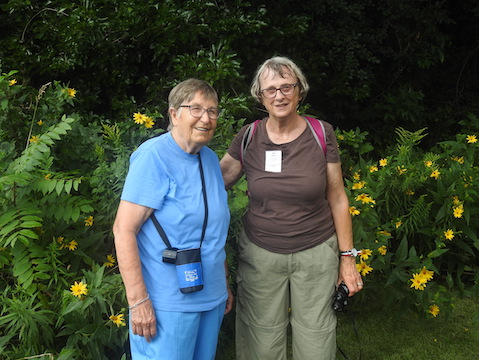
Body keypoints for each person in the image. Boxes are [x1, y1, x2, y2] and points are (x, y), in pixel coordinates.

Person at [220, 56, 363, 360]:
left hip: (315, 253)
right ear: (260, 96)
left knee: (316, 337)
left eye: (287, 87)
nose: (279, 95)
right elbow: (214, 183)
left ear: (300, 91)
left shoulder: (321, 133)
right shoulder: (248, 138)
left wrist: (347, 259)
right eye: (271, 89)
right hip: (260, 256)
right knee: (260, 338)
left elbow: (337, 197)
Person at [113, 78, 233, 360]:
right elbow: (123, 229)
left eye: (213, 111)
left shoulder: (211, 160)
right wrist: (138, 301)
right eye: (196, 109)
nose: (206, 118)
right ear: (173, 114)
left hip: (210, 296)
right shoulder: (153, 157)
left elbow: (214, 228)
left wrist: (224, 283)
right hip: (167, 302)